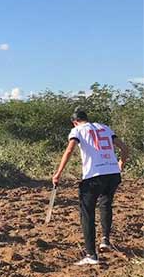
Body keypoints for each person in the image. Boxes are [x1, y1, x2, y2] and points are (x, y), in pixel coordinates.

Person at [52, 109, 129, 266]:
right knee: (106, 204)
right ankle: (105, 240)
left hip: (94, 176)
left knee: (87, 213)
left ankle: (91, 255)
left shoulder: (77, 130)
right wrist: (120, 163)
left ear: (75, 122)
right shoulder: (104, 127)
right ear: (87, 118)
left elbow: (69, 150)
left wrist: (58, 173)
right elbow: (125, 148)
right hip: (113, 174)